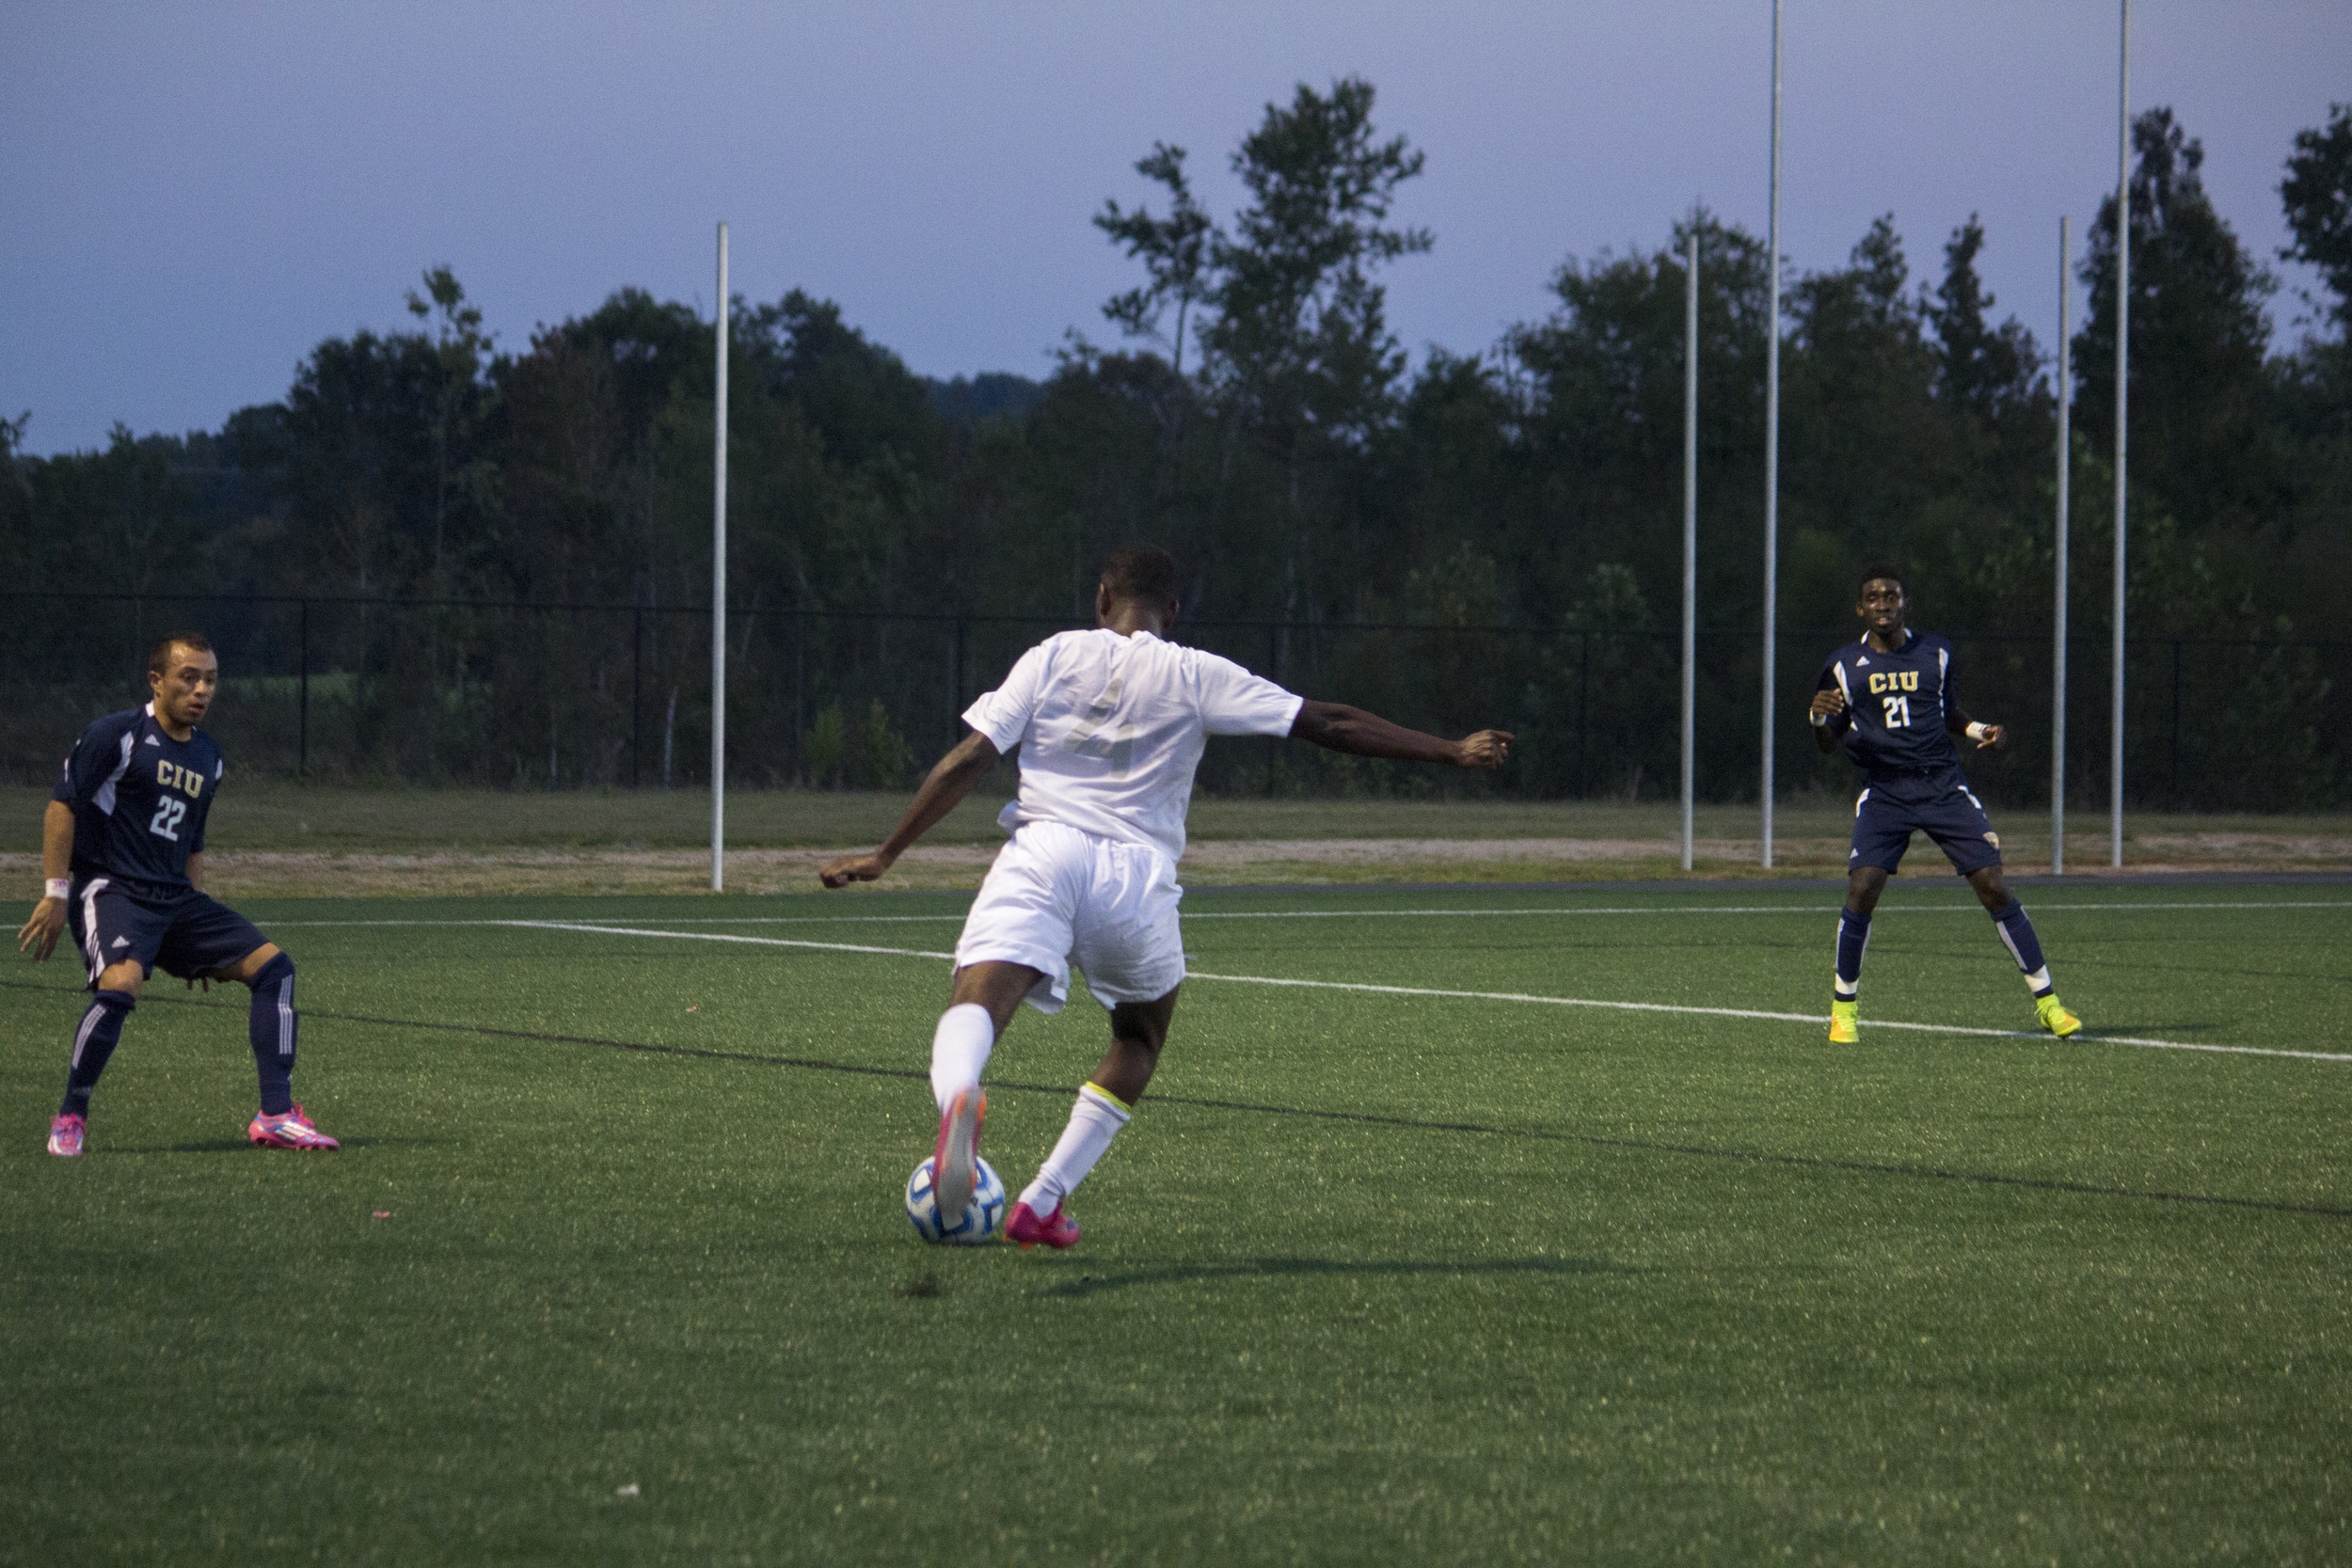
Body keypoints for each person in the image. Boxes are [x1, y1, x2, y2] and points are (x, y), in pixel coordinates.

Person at [820, 546, 1512, 1249]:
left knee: (975, 1000)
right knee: (1139, 1038)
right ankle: (1042, 1199)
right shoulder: (1195, 672)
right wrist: (1448, 750)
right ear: (1172, 613)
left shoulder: (1052, 654)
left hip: (1044, 853)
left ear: (1100, 599)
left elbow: (971, 757)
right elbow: (1330, 721)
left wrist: (887, 853)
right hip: (1136, 878)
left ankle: (959, 1095)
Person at [18, 633, 337, 1156]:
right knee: (120, 986)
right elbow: (62, 807)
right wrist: (55, 893)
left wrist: (195, 935)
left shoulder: (209, 757)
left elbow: (193, 840)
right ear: (157, 680)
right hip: (112, 889)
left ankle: (276, 1115)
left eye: (210, 680)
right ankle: (71, 1114)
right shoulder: (116, 734)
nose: (201, 690)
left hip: (175, 901)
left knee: (275, 969)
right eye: (189, 677)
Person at [1808, 564, 2082, 1045]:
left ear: (1905, 603)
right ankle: (1842, 1011)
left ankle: (2049, 1004)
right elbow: (1829, 741)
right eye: (1873, 597)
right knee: (1863, 887)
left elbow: (1949, 713)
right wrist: (1815, 718)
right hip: (1886, 790)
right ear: (1860, 608)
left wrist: (1982, 732)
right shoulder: (1844, 665)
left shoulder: (1936, 652)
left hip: (1941, 785)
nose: (1883, 604)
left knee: (1993, 886)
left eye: (1891, 596)